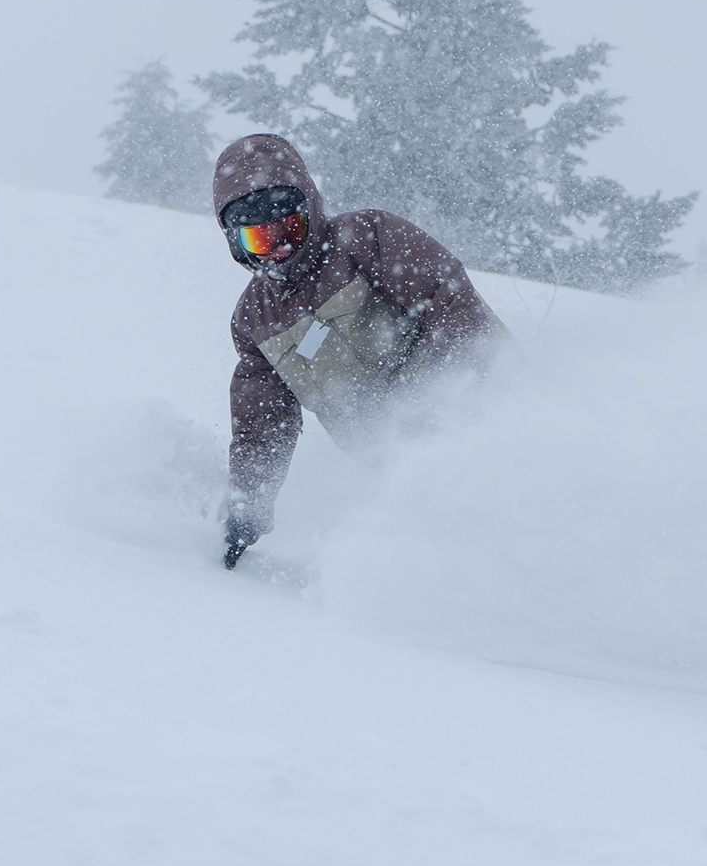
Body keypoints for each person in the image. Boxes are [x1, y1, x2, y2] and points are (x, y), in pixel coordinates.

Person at [212, 133, 500, 569]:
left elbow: (451, 304)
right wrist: (247, 507)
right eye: (261, 241)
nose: (280, 251)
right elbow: (263, 422)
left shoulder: (366, 239)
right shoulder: (255, 320)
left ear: (310, 208)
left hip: (479, 422)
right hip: (399, 468)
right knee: (468, 550)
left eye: (290, 229)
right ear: (238, 246)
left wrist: (466, 399)